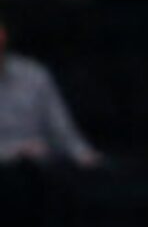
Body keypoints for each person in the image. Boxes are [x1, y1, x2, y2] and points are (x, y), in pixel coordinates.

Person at [0, 13, 100, 168]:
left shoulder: (34, 74)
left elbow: (61, 128)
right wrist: (13, 152)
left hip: (38, 169)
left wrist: (85, 156)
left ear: (4, 35)